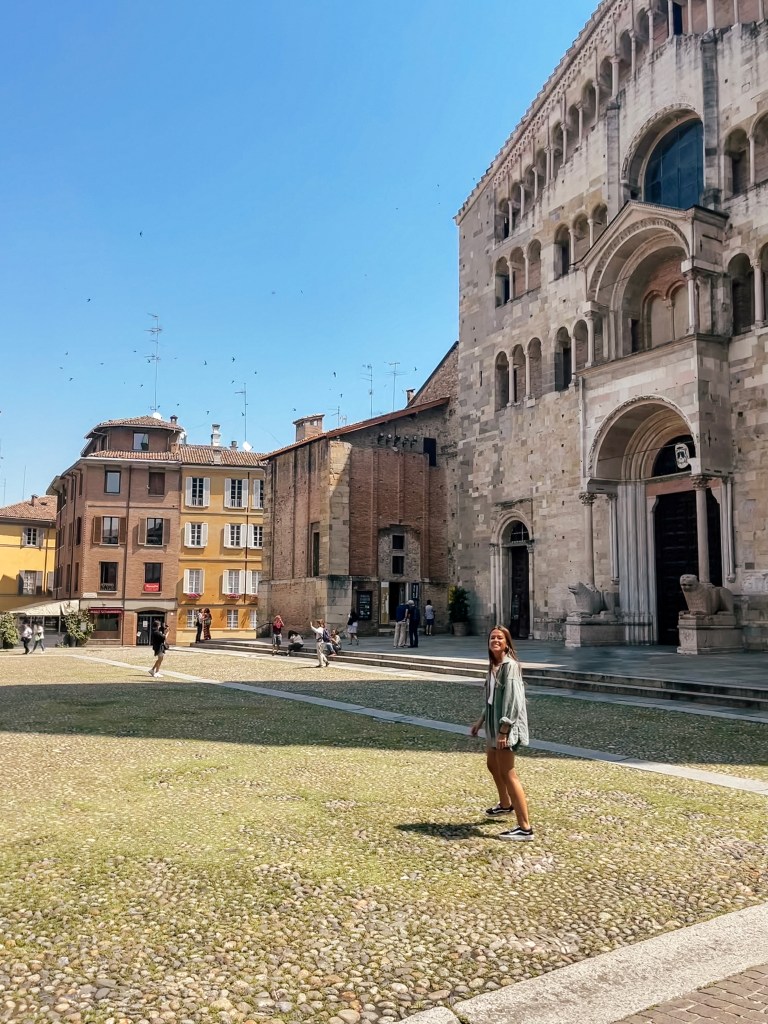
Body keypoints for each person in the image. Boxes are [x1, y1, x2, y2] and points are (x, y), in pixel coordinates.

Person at [470, 625, 533, 842]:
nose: (495, 640)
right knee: (492, 764)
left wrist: (504, 729)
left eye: (500, 638)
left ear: (507, 643)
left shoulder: (510, 667)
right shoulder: (494, 666)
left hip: (504, 727)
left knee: (508, 772)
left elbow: (514, 702)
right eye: (492, 638)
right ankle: (505, 804)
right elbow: (491, 700)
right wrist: (480, 721)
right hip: (492, 724)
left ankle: (525, 827)